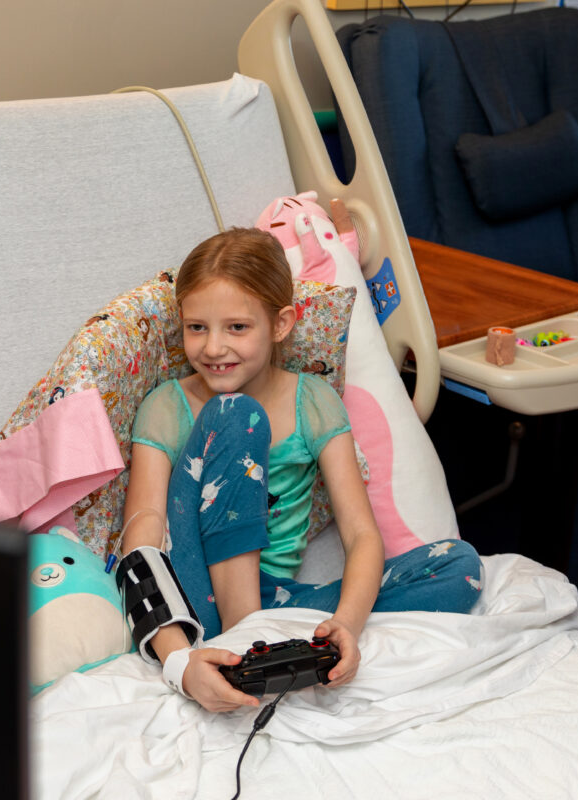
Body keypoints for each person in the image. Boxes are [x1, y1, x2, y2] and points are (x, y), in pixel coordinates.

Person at [117, 226, 478, 712]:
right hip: (195, 591)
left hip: (280, 601)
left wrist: (346, 625)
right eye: (196, 327)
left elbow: (361, 534)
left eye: (237, 327)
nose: (213, 347)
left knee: (459, 563)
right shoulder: (167, 405)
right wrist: (178, 660)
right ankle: (248, 636)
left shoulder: (315, 400)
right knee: (236, 412)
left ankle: (276, 643)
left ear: (281, 323)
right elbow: (140, 538)